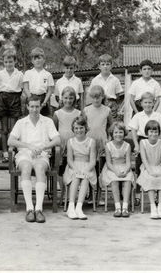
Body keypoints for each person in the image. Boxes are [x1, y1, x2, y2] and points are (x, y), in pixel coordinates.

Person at [8, 95, 60, 223]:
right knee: (26, 167)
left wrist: (43, 146)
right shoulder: (21, 122)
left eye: (37, 106)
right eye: (32, 106)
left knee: (39, 168)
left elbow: (57, 139)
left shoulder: (47, 121)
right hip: (24, 154)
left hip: (42, 154)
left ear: (41, 106)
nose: (35, 109)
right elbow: (11, 140)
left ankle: (39, 209)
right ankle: (29, 208)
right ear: (27, 107)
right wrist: (29, 146)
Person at [128, 92, 161, 205]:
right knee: (140, 168)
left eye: (150, 102)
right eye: (145, 102)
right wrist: (136, 144)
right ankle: (137, 195)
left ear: (153, 103)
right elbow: (133, 131)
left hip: (155, 142)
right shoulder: (138, 116)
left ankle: (156, 195)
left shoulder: (157, 115)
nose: (148, 104)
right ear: (141, 103)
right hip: (142, 141)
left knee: (156, 167)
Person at [136, 120, 161, 219]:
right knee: (150, 178)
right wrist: (150, 171)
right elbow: (144, 159)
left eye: (155, 131)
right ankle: (153, 206)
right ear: (147, 133)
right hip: (147, 166)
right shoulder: (143, 142)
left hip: (159, 166)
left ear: (159, 132)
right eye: (151, 131)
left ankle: (159, 206)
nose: (153, 134)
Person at [63, 116, 97, 220]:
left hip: (87, 166)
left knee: (86, 177)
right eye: (76, 128)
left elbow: (92, 161)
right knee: (75, 177)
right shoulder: (70, 141)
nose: (79, 130)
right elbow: (69, 160)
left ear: (86, 128)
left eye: (81, 127)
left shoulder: (91, 141)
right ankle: (71, 206)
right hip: (73, 166)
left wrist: (86, 169)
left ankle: (79, 207)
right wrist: (76, 169)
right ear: (73, 129)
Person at [0, 49, 24, 162]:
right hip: (3, 99)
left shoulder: (20, 74)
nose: (8, 64)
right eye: (6, 62)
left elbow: (21, 89)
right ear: (3, 62)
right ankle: (5, 152)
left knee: (13, 128)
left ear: (15, 61)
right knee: (4, 129)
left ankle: (12, 151)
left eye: (10, 61)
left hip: (15, 99)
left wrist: (15, 98)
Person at [53, 86, 81, 203]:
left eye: (71, 98)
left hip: (75, 146)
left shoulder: (79, 113)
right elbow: (53, 131)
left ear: (74, 99)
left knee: (73, 168)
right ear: (61, 98)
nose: (68, 100)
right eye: (65, 98)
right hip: (61, 146)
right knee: (61, 170)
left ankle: (71, 194)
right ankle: (62, 193)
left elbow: (81, 129)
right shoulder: (57, 113)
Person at [101, 122, 134, 217]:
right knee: (114, 180)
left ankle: (125, 207)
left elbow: (128, 162)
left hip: (124, 166)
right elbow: (108, 163)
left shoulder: (127, 145)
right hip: (112, 168)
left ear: (124, 133)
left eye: (120, 132)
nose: (118, 134)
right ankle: (117, 207)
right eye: (116, 132)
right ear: (112, 133)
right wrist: (116, 171)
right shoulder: (108, 145)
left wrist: (126, 170)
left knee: (128, 180)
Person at [89, 54, 123, 119]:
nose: (105, 67)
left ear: (111, 66)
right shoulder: (95, 80)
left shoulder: (115, 80)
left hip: (112, 106)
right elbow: (91, 95)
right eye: (103, 64)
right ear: (99, 66)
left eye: (107, 64)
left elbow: (118, 95)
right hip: (99, 104)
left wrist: (114, 105)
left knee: (111, 125)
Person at [23, 47, 54, 116]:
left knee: (43, 120)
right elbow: (26, 88)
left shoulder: (48, 74)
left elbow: (50, 91)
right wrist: (30, 99)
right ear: (32, 61)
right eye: (35, 58)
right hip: (31, 98)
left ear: (44, 60)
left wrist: (44, 102)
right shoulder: (28, 73)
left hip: (43, 100)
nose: (37, 60)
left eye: (39, 58)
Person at [82, 85, 112, 157]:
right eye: (93, 98)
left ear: (102, 97)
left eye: (98, 98)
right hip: (89, 140)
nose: (96, 100)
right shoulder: (86, 110)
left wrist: (109, 139)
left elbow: (111, 126)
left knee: (100, 162)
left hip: (102, 140)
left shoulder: (107, 110)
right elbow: (83, 126)